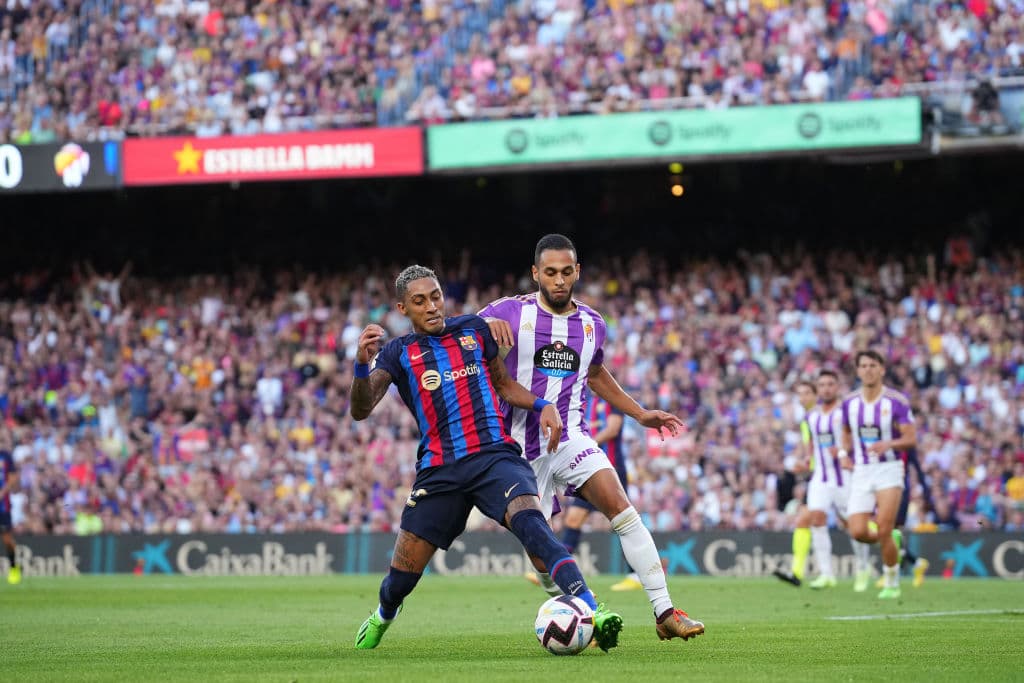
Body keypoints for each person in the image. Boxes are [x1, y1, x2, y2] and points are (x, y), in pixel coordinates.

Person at [351, 265, 622, 651]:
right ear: (402, 309)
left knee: (533, 522)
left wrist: (543, 403)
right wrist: (361, 365)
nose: (431, 306)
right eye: (419, 301)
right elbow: (361, 409)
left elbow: (506, 386)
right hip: (439, 473)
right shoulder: (397, 353)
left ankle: (592, 609)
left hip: (496, 457)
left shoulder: (473, 331)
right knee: (401, 579)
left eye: (436, 296)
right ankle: (383, 615)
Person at [480, 234, 704, 643]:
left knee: (622, 507)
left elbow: (596, 373)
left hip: (571, 437)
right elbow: (461, 333)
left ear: (577, 271)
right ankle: (588, 612)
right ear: (536, 274)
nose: (559, 280)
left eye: (567, 272)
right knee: (540, 549)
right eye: (550, 273)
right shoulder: (509, 312)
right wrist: (481, 324)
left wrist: (639, 414)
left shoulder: (592, 324)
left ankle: (665, 611)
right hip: (516, 449)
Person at [840, 350, 917, 600]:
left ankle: (891, 581)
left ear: (882, 369)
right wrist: (843, 453)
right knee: (858, 531)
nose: (868, 370)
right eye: (863, 366)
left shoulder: (896, 401)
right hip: (862, 470)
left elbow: (911, 438)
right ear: (858, 370)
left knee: (883, 526)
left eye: (873, 365)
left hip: (889, 469)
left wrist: (889, 444)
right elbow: (845, 430)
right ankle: (890, 539)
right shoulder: (850, 403)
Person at [801, 370, 873, 591]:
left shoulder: (846, 412)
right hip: (821, 477)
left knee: (853, 525)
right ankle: (826, 573)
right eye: (821, 385)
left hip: (845, 478)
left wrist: (845, 453)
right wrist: (806, 458)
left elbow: (856, 438)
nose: (826, 388)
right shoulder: (811, 416)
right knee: (816, 518)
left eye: (830, 384)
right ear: (817, 389)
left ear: (837, 387)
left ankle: (862, 568)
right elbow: (812, 443)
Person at [773, 380, 817, 587]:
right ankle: (796, 573)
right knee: (803, 520)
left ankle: (902, 553)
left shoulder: (823, 416)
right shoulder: (807, 420)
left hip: (836, 478)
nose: (803, 398)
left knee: (857, 527)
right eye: (800, 394)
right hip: (819, 478)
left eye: (807, 393)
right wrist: (806, 464)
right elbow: (813, 452)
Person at [1, 435, 21, 585]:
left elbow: (13, 479)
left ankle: (14, 568)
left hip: (3, 505)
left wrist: (2, 493)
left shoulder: (6, 456)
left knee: (7, 539)